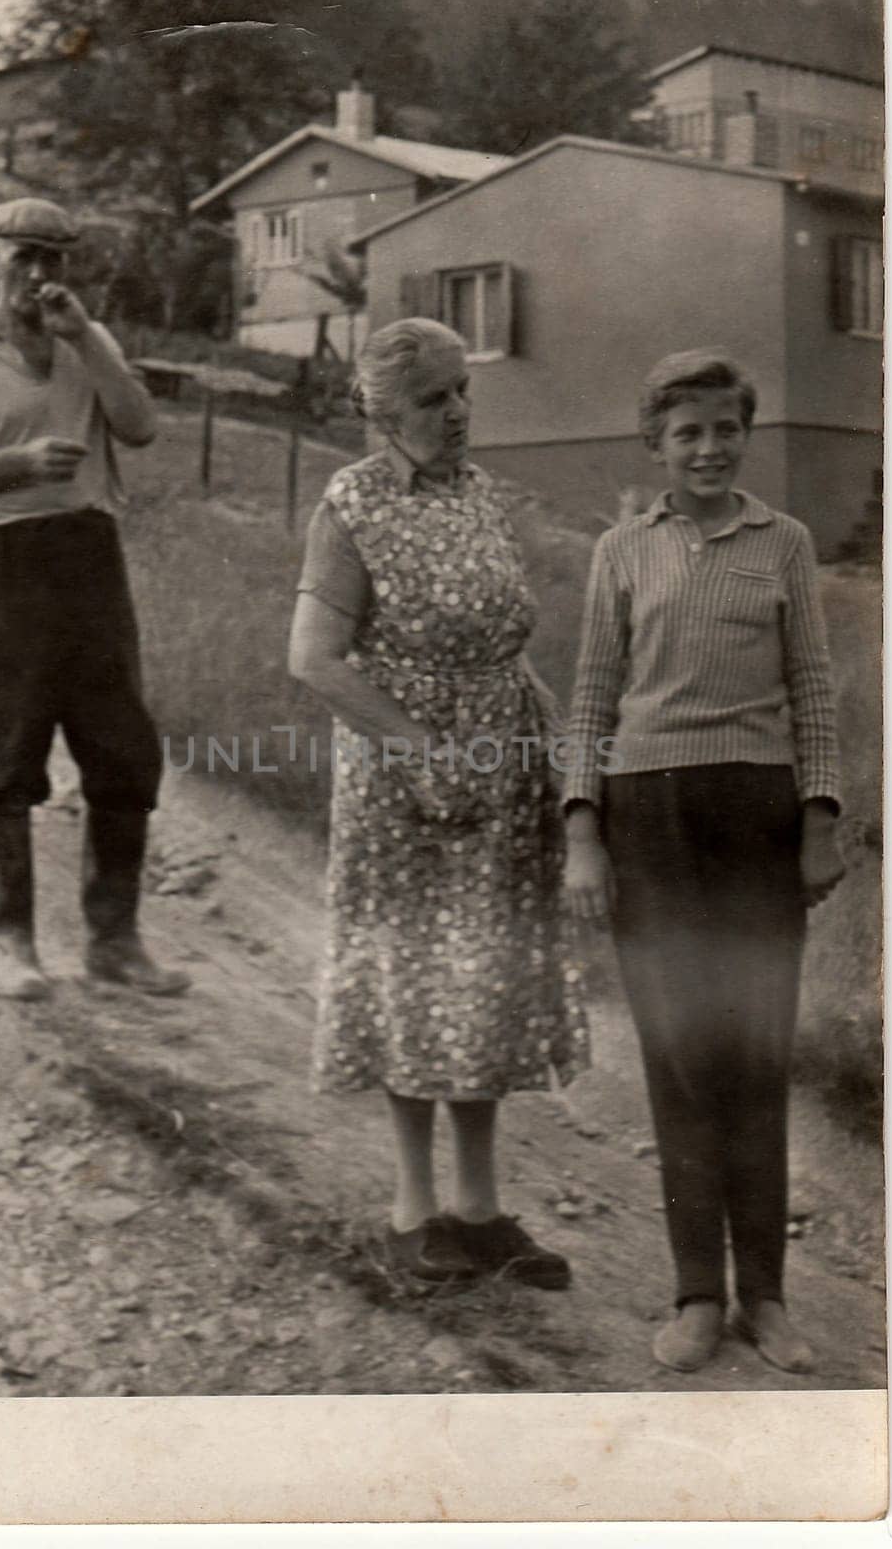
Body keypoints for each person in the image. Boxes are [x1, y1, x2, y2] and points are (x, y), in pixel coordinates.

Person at [288, 317, 589, 1287]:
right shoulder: (353, 506)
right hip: (406, 785)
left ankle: (480, 1208)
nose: (458, 412)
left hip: (501, 772)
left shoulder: (480, 496)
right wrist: (425, 754)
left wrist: (544, 748)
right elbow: (315, 660)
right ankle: (414, 1213)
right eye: (434, 398)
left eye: (463, 391)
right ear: (383, 413)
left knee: (481, 986)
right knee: (414, 983)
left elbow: (503, 637)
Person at [562, 349, 845, 1373]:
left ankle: (766, 1297)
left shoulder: (787, 545)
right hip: (651, 815)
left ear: (746, 433)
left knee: (757, 1051)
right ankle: (695, 1294)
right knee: (681, 1053)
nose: (710, 448)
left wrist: (819, 817)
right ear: (656, 445)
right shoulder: (622, 551)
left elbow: (814, 690)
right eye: (687, 432)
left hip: (758, 818)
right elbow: (592, 694)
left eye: (726, 428)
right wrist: (584, 830)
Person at [0, 197, 189, 1001]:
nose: (37, 273)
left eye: (53, 259)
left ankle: (115, 940)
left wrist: (85, 338)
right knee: (6, 753)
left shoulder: (83, 339)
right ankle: (12, 943)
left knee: (122, 748)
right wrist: (23, 462)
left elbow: (137, 429)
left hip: (88, 556)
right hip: (1, 558)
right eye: (22, 256)